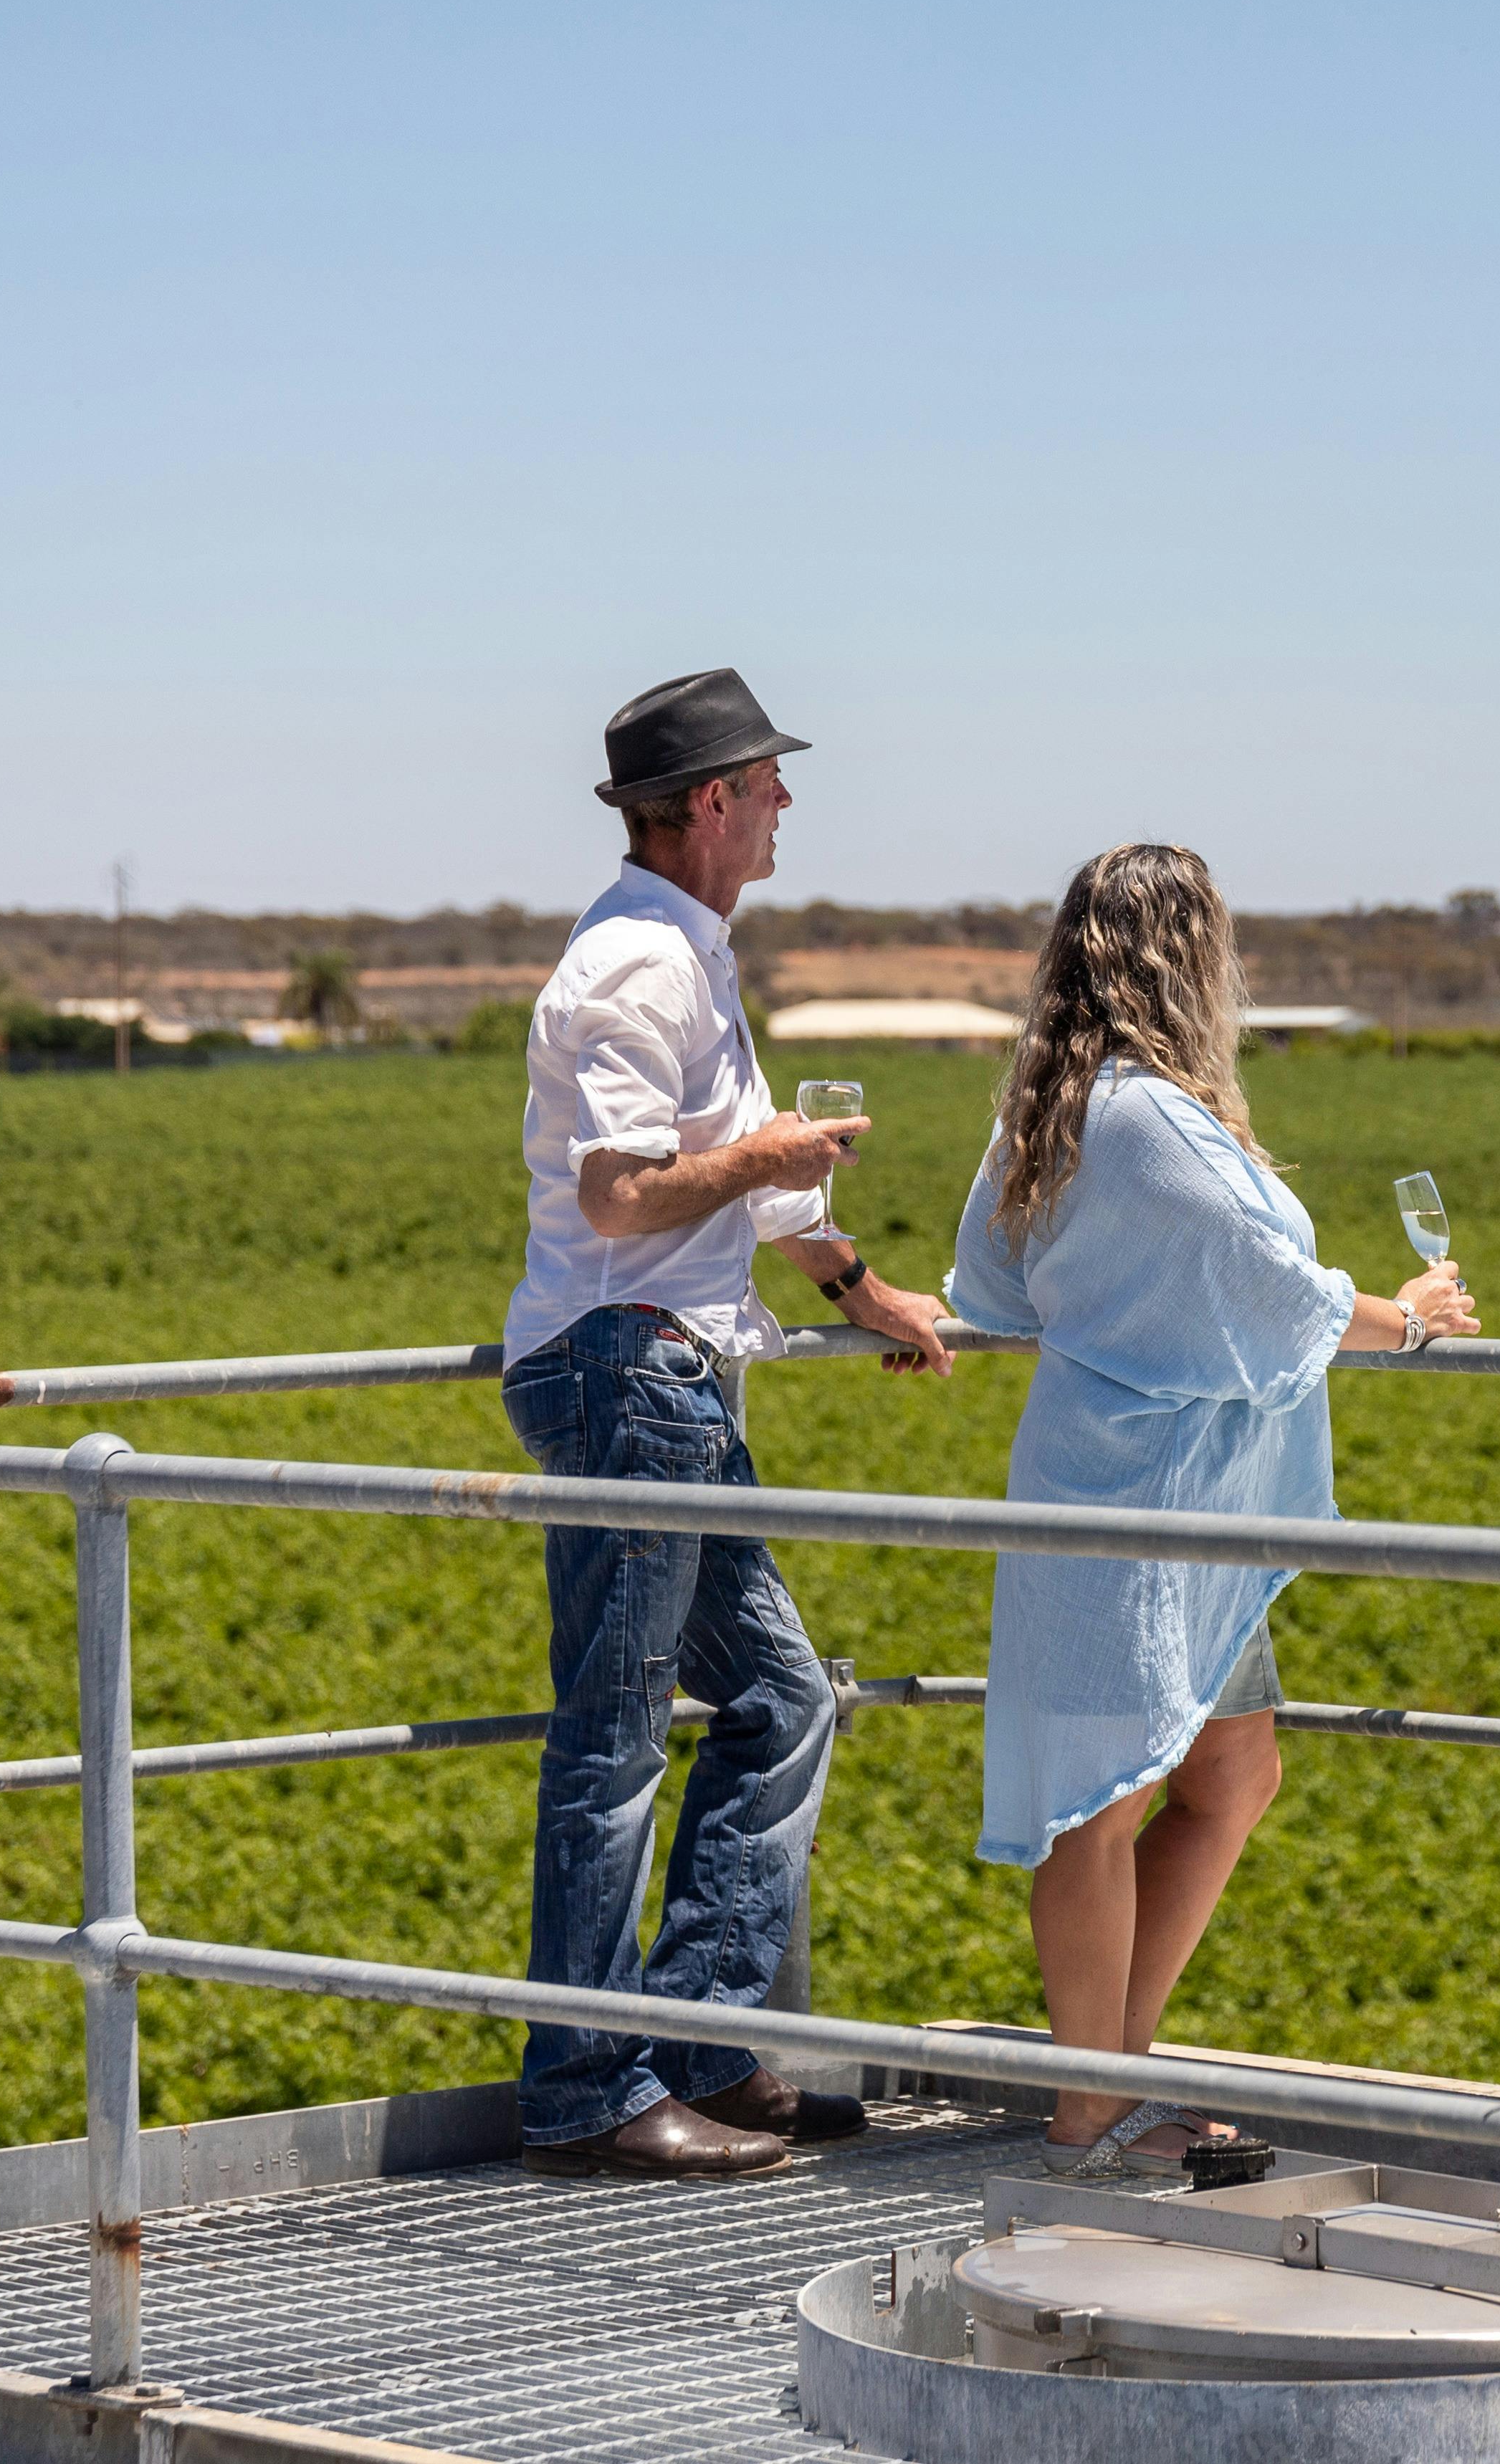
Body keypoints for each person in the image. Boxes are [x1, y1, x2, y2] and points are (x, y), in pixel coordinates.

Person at [943, 843, 1478, 2179]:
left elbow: (993, 1286)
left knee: (1230, 1772)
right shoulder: (1138, 1116)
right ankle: (1087, 2109)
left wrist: (1122, 1309)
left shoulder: (1064, 1105)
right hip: (1137, 1502)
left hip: (1167, 1503)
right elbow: (1270, 1282)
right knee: (1100, 1805)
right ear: (1190, 960)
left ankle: (1115, 2076)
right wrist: (1403, 1321)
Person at [503, 667, 965, 2181]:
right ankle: (584, 2088)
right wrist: (769, 1148)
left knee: (779, 1703)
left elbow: (747, 1185)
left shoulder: (685, 957)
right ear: (710, 801)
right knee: (617, 1734)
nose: (784, 807)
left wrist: (860, 1284)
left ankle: (698, 2042)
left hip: (670, 1373)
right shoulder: (637, 966)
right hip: (633, 1368)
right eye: (767, 784)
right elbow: (622, 1193)